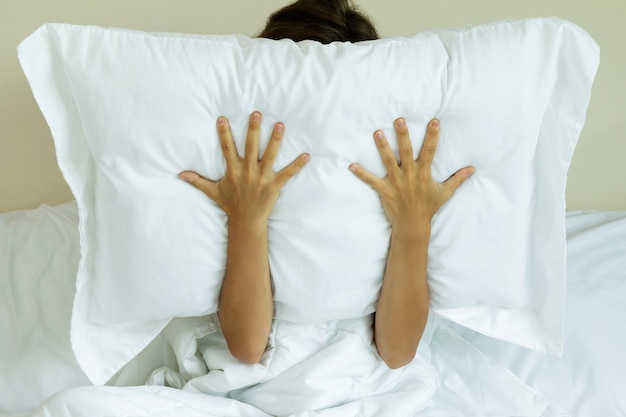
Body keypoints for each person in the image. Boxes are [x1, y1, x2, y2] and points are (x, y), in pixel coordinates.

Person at [178, 0, 474, 370]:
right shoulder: (244, 182)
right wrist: (245, 220)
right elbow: (247, 347)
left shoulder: (389, 187)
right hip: (254, 381)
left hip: (373, 384)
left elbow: (397, 352)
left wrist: (414, 227)